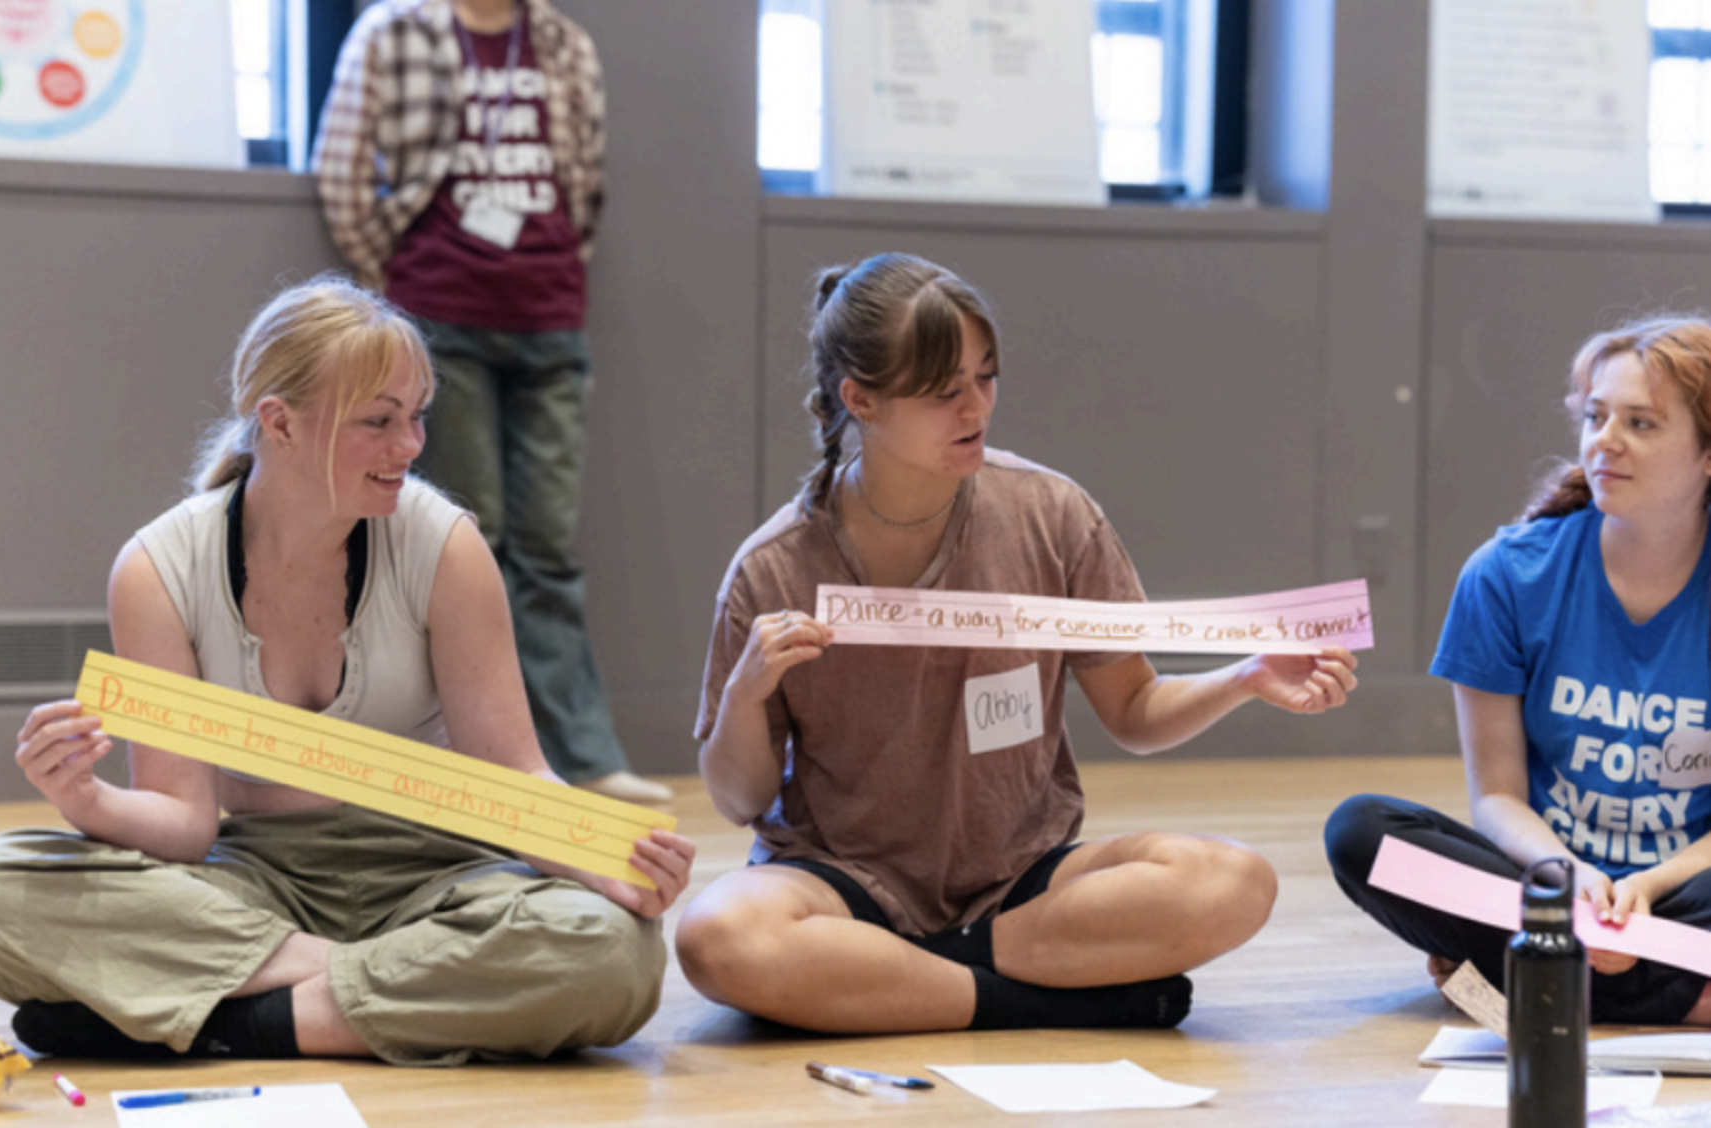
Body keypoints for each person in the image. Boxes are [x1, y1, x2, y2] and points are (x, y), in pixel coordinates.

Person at [0, 277, 693, 1065]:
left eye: (417, 416)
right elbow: (183, 827)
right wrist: (86, 798)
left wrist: (607, 861)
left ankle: (234, 1019)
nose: (413, 446)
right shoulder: (158, 568)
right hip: (255, 882)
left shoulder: (445, 545)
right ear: (279, 423)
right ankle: (373, 994)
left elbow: (514, 781)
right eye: (380, 422)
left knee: (614, 954)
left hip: (437, 878)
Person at [673, 253, 1360, 1033]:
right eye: (943, 392)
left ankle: (903, 983)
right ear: (859, 399)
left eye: (986, 377)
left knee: (1233, 881)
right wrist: (745, 692)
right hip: (838, 885)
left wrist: (1245, 676)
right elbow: (738, 799)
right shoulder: (775, 565)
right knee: (718, 939)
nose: (976, 408)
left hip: (1021, 884)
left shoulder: (1051, 513)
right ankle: (1027, 999)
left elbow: (1134, 712)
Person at [311, 0, 670, 802]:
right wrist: (400, 277)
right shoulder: (392, 30)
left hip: (549, 318)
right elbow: (340, 171)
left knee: (547, 547)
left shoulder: (562, 42)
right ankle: (479, 760)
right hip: (442, 320)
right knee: (469, 541)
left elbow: (587, 188)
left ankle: (583, 757)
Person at [1325, 315, 1711, 1025]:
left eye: (1642, 424)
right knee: (1361, 834)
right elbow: (1498, 799)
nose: (1605, 441)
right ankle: (1674, 991)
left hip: (1687, 890)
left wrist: (1648, 889)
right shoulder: (1506, 575)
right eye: (1595, 417)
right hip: (1542, 882)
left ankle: (1540, 973)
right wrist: (1569, 882)